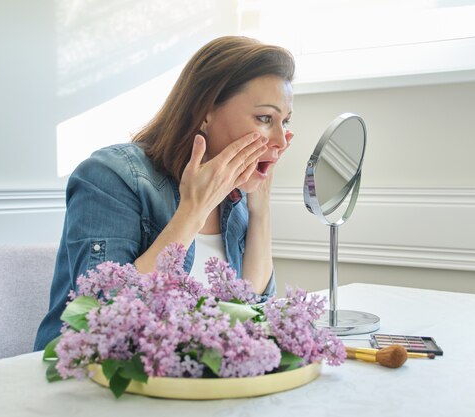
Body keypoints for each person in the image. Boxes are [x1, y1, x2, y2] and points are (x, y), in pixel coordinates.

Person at [34, 36, 295, 350]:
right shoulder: (111, 176)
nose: (280, 140)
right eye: (264, 119)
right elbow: (101, 316)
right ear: (205, 111)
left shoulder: (234, 200)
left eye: (285, 122)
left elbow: (253, 312)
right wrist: (192, 212)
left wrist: (260, 204)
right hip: (81, 382)